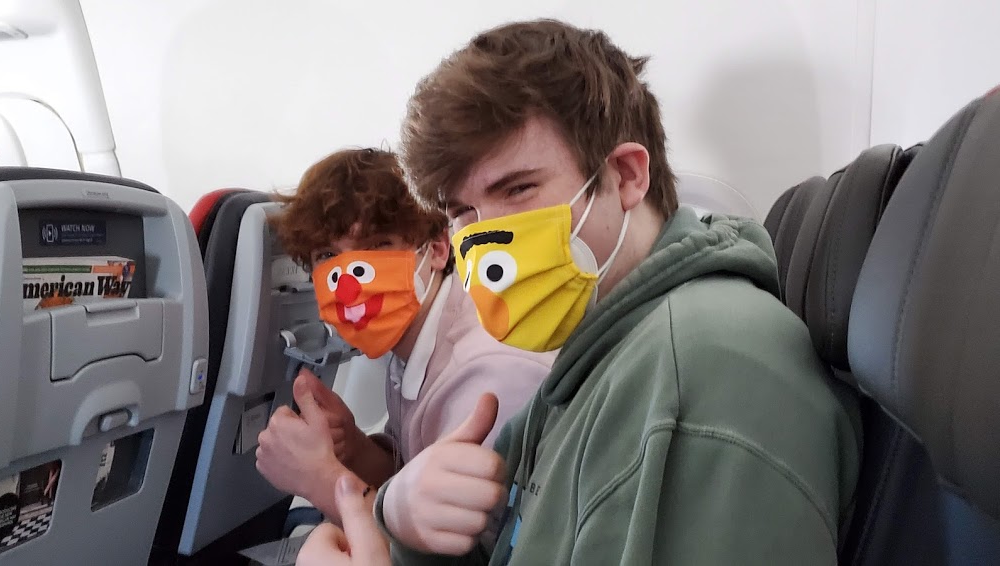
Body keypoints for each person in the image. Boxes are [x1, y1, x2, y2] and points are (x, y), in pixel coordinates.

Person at [318, 18, 861, 565]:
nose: (484, 239)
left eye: (518, 189)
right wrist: (403, 521)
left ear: (626, 176)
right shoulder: (596, 348)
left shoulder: (703, 379)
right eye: (463, 211)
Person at [255, 148, 555, 525]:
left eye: (377, 245)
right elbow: (408, 482)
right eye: (327, 254)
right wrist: (354, 446)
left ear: (437, 249)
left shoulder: (488, 372)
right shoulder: (411, 346)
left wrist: (319, 480)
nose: (349, 278)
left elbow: (456, 544)